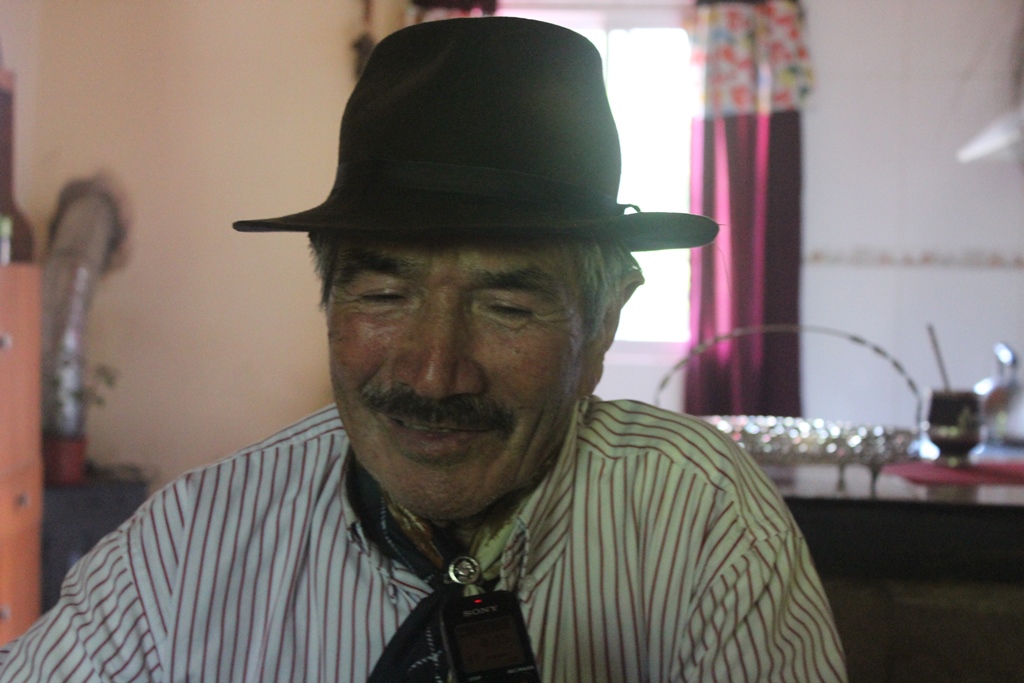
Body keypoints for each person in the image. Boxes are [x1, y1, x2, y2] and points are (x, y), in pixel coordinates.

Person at [0, 16, 846, 682]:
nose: (435, 371)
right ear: (328, 299)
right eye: (383, 295)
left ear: (602, 325)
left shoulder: (700, 520)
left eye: (507, 304)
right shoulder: (191, 542)